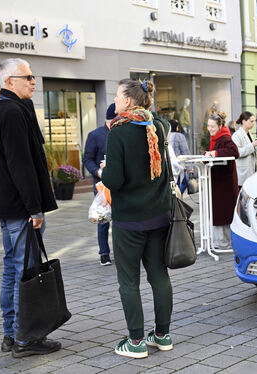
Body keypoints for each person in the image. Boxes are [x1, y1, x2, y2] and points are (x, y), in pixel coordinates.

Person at [0, 58, 61, 358]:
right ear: (8, 82)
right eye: (27, 77)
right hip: (19, 208)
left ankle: (11, 333)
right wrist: (34, 208)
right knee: (23, 271)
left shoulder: (8, 109)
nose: (33, 81)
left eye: (33, 76)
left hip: (10, 206)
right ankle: (24, 339)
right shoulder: (11, 112)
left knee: (12, 269)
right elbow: (21, 165)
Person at [100, 79, 174, 359]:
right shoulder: (159, 127)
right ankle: (163, 335)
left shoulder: (119, 133)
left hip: (129, 221)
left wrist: (104, 169)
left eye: (118, 96)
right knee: (159, 275)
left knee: (129, 281)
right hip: (159, 216)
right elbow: (154, 120)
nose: (115, 101)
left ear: (129, 101)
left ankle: (136, 342)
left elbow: (114, 180)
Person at [82, 103, 115, 266]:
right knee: (103, 218)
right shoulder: (95, 135)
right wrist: (98, 172)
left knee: (120, 220)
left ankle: (122, 252)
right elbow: (87, 158)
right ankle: (104, 253)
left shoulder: (122, 134)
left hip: (120, 183)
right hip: (102, 185)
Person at [204, 113, 239, 249]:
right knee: (220, 211)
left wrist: (214, 153)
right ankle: (221, 241)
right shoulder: (215, 138)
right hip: (219, 181)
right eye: (208, 126)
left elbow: (234, 152)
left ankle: (223, 242)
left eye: (212, 126)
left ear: (219, 126)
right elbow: (209, 152)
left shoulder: (224, 137)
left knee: (223, 211)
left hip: (224, 182)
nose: (210, 129)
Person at [232, 111, 257, 189]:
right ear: (243, 121)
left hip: (252, 169)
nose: (253, 123)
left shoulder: (249, 134)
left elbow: (253, 152)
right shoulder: (237, 135)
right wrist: (253, 145)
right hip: (243, 172)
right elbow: (237, 152)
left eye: (254, 121)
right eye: (251, 121)